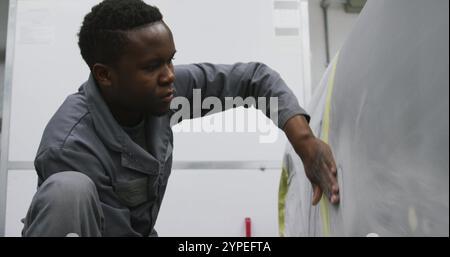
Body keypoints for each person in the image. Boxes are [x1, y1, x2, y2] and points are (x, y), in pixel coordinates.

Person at [22, 0, 339, 237]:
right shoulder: (72, 147)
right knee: (68, 189)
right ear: (105, 75)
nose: (170, 76)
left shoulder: (161, 91)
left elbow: (253, 80)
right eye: (152, 66)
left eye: (170, 61)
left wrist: (305, 142)